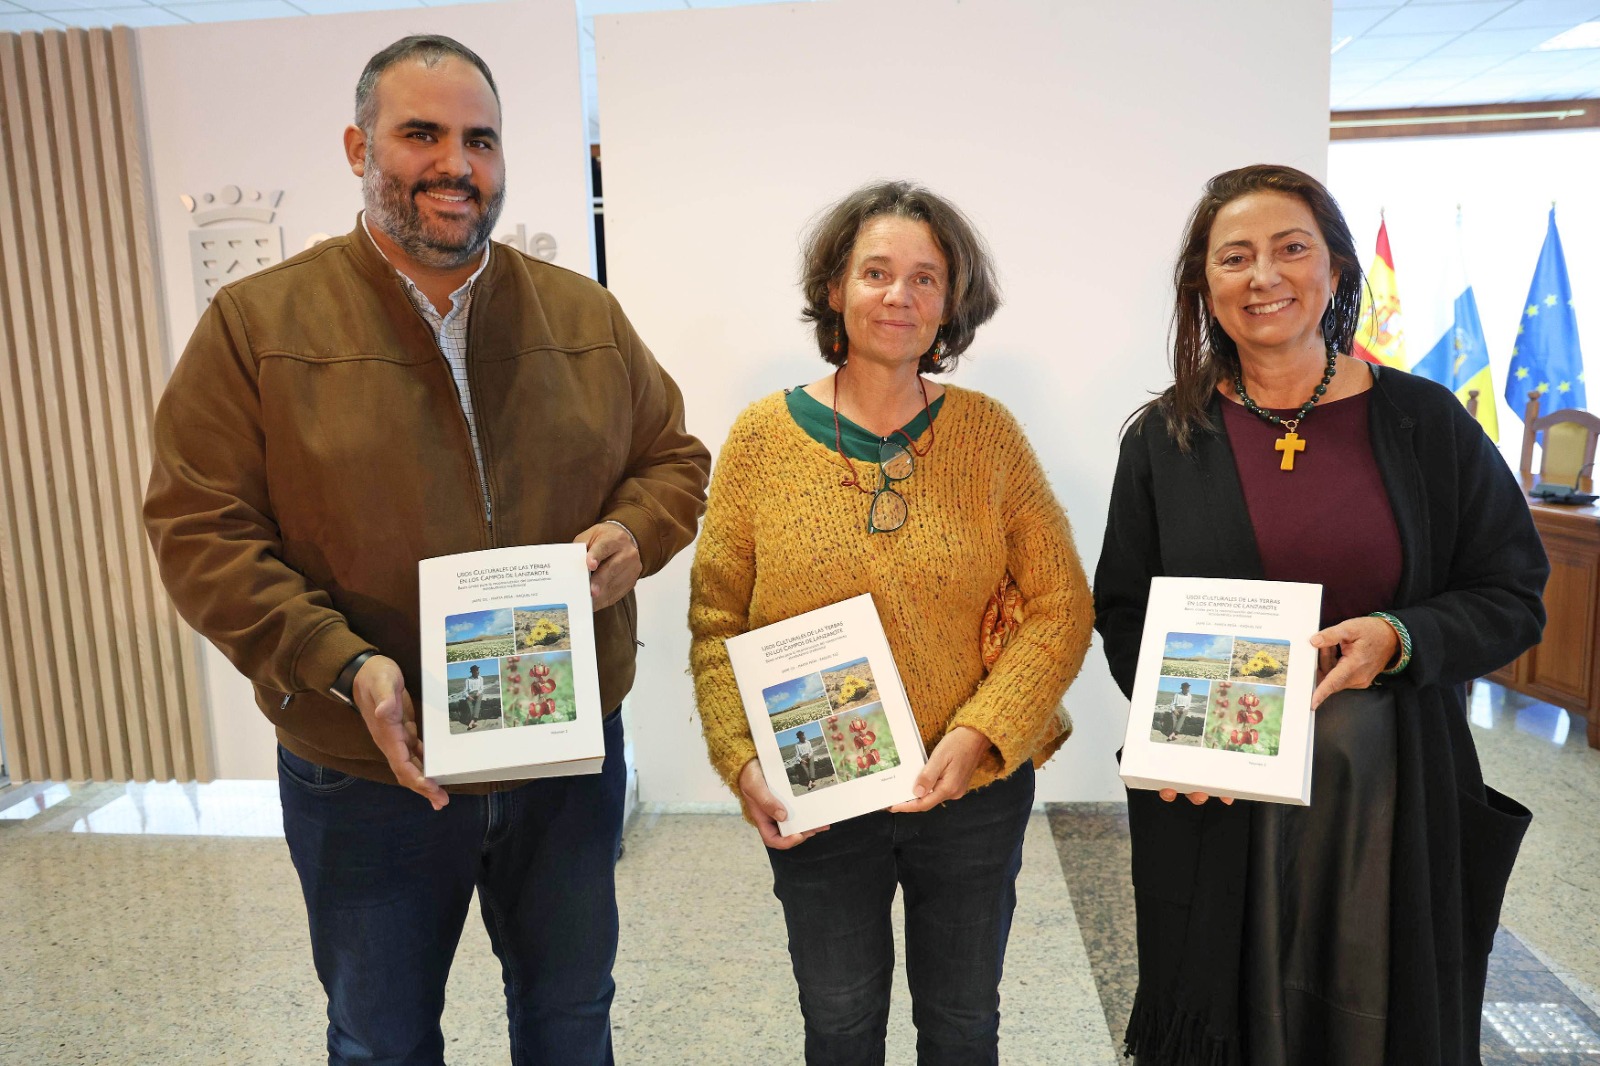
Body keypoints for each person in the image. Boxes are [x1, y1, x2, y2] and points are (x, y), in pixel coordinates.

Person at [143, 35, 710, 1066]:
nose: (457, 164)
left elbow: (672, 459)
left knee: (570, 1019)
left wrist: (637, 532)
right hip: (367, 767)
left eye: (480, 140)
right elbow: (200, 527)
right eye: (422, 135)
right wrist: (340, 663)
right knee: (382, 1039)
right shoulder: (256, 327)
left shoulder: (582, 315)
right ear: (359, 148)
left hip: (560, 753)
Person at [1093, 163, 1548, 1065]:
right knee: (1225, 1018)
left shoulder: (1426, 422)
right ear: (1204, 287)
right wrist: (1177, 737)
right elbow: (1126, 611)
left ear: (1335, 269)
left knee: (1374, 1019)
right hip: (1222, 799)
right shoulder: (1164, 438)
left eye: (1291, 249)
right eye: (1235, 257)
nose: (1264, 276)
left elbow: (1512, 594)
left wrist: (1403, 637)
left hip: (1389, 803)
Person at [689, 180, 1094, 1064]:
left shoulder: (988, 436)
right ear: (835, 288)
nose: (898, 295)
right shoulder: (760, 439)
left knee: (962, 1024)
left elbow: (1061, 605)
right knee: (839, 1026)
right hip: (821, 794)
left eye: (925, 277)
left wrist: (983, 732)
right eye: (876, 272)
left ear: (950, 302)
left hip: (970, 791)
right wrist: (741, 758)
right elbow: (716, 620)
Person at [464, 664, 485, 729]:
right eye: (476, 670)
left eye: (478, 670)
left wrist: (478, 693)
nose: (478, 671)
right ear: (473, 672)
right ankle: (473, 722)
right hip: (470, 694)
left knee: (477, 703)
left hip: (478, 693)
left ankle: (472, 721)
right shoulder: (468, 680)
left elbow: (482, 688)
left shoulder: (481, 678)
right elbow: (465, 691)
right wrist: (468, 696)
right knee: (469, 703)